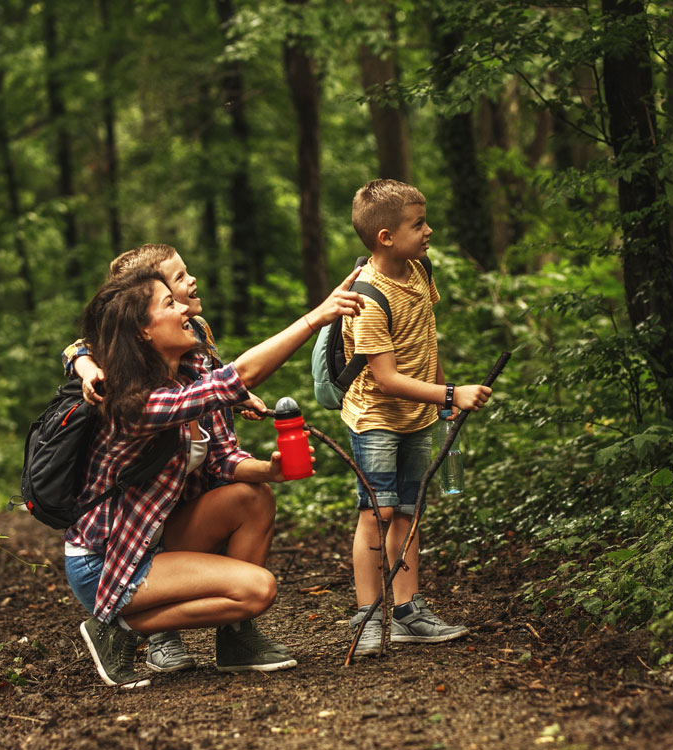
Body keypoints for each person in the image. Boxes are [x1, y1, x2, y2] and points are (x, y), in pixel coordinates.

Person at [66, 266, 363, 687]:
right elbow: (243, 376)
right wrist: (316, 317)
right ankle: (119, 629)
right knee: (257, 591)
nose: (183, 308)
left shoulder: (187, 371)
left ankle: (236, 640)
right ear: (144, 333)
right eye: (169, 304)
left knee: (251, 496)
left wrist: (270, 472)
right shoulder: (136, 400)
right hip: (110, 560)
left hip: (154, 537)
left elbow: (223, 459)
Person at [61, 243, 263, 673]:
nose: (191, 282)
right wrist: (82, 363)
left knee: (251, 496)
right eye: (177, 281)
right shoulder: (128, 377)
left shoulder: (194, 337)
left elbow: (217, 383)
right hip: (125, 531)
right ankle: (144, 631)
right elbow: (80, 343)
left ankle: (236, 634)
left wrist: (235, 395)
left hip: (179, 500)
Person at [342, 179, 492, 656]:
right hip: (376, 417)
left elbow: (426, 340)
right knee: (377, 511)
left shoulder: (420, 270)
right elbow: (384, 378)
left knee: (409, 509)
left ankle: (407, 611)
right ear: (385, 236)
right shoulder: (368, 297)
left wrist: (442, 395)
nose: (429, 230)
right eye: (418, 223)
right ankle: (367, 617)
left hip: (418, 415)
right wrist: (450, 391)